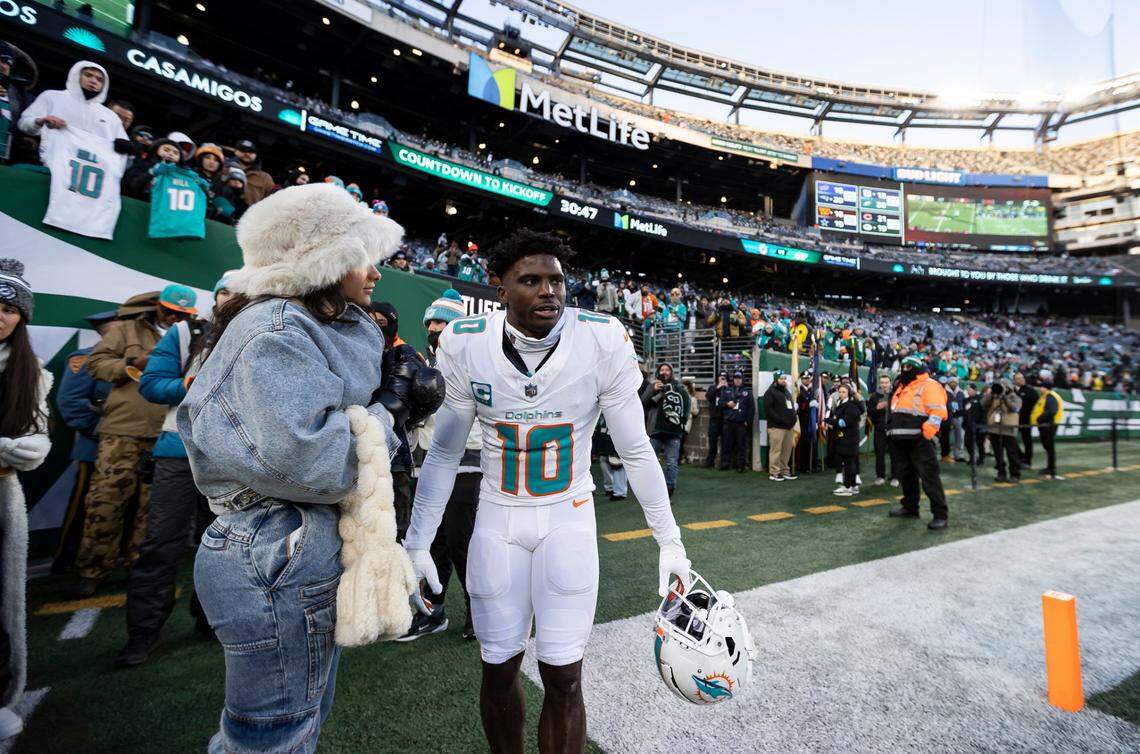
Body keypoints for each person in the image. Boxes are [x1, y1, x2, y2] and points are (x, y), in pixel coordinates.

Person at [401, 229, 691, 754]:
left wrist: (670, 541)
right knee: (498, 668)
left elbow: (637, 449)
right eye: (529, 280)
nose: (547, 291)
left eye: (555, 280)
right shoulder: (465, 342)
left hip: (568, 518)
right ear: (499, 286)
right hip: (498, 520)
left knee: (565, 677)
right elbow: (443, 453)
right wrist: (417, 541)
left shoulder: (601, 338)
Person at [179, 184, 428, 753]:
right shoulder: (277, 330)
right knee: (271, 739)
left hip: (284, 542)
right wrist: (389, 411)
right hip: (275, 544)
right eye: (362, 254)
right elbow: (316, 461)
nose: (377, 272)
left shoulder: (302, 325)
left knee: (289, 729)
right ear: (326, 260)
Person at [115, 278, 234, 667]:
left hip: (231, 458)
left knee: (221, 547)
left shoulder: (263, 335)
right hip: (179, 452)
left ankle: (211, 621)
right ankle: (143, 633)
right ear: (215, 297)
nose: (231, 300)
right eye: (225, 292)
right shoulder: (186, 332)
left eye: (241, 293)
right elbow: (150, 385)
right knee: (160, 543)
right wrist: (189, 386)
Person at [71, 285, 198, 598]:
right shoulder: (127, 329)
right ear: (156, 307)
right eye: (167, 310)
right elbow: (95, 364)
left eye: (180, 314)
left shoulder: (192, 337)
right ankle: (92, 570)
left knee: (151, 511)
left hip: (165, 433)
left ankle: (138, 567)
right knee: (105, 501)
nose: (171, 317)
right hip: (123, 430)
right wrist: (133, 363)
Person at [402, 289, 483, 642]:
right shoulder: (429, 364)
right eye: (431, 322)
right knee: (433, 544)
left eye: (441, 321)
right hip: (429, 464)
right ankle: (433, 611)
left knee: (462, 543)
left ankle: (479, 615)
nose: (434, 327)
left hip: (466, 462)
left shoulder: (474, 361)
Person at [0, 259, 52, 740]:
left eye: (9, 307)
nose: (0, 314)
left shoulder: (30, 372)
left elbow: (35, 447)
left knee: (1, 602)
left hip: (3, 497)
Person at [51, 309, 116, 574]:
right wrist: (102, 432)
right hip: (95, 450)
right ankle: (66, 561)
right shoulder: (85, 359)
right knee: (83, 509)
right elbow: (70, 404)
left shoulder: (136, 361)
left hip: (133, 451)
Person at [886, 355, 950, 530]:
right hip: (900, 439)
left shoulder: (930, 385)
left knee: (929, 477)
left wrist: (927, 433)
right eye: (903, 366)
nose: (905, 370)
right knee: (907, 477)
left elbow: (938, 412)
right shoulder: (901, 386)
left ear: (916, 368)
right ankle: (910, 507)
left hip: (919, 440)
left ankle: (940, 515)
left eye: (908, 367)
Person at [18, 60, 127, 150]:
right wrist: (40, 121)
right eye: (88, 75)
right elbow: (23, 124)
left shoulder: (110, 116)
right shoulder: (51, 97)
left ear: (104, 85)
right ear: (78, 76)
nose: (93, 81)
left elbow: (124, 147)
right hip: (50, 164)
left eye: (99, 79)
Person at [641, 362, 690, 496]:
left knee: (672, 462)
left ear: (671, 372)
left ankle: (669, 488)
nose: (664, 372)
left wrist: (682, 421)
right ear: (658, 372)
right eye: (662, 369)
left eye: (667, 369)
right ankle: (650, 488)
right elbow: (643, 402)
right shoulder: (653, 385)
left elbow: (687, 403)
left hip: (673, 431)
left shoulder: (679, 387)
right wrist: (653, 390)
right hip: (655, 430)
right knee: (650, 461)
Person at [827, 383, 864, 496]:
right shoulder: (841, 403)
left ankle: (848, 487)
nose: (841, 394)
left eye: (844, 392)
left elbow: (843, 422)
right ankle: (853, 486)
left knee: (849, 463)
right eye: (840, 392)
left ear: (849, 393)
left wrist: (828, 420)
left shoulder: (851, 405)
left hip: (849, 439)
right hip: (844, 438)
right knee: (849, 462)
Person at [984, 379, 1022, 483]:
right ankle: (1001, 473)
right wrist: (991, 394)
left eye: (1004, 386)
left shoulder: (1015, 397)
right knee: (998, 453)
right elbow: (983, 404)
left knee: (1012, 453)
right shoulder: (995, 397)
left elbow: (1014, 408)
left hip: (1008, 429)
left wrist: (1005, 397)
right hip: (994, 429)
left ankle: (1015, 474)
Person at [718, 370, 754, 473]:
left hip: (741, 423)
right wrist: (727, 404)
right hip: (729, 422)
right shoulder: (727, 390)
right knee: (726, 444)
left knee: (741, 446)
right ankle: (725, 464)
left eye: (739, 378)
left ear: (742, 380)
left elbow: (751, 409)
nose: (737, 380)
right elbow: (720, 403)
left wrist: (748, 421)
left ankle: (740, 465)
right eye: (735, 378)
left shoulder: (747, 392)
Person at [762, 370, 796, 481]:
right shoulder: (770, 392)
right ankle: (774, 472)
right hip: (776, 427)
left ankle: (784, 471)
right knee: (776, 450)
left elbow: (790, 407)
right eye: (781, 378)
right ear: (776, 379)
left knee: (786, 450)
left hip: (788, 427)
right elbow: (769, 410)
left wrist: (794, 418)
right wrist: (781, 420)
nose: (783, 381)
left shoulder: (786, 392)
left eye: (784, 378)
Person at [1030, 370, 1064, 480]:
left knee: (1049, 447)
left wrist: (1039, 420)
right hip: (1045, 425)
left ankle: (1051, 468)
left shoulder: (1051, 396)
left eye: (1041, 387)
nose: (1040, 388)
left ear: (1045, 388)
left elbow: (1051, 411)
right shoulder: (1046, 396)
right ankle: (1049, 467)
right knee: (1048, 447)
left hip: (1048, 425)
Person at [866, 373, 895, 486]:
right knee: (879, 454)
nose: (884, 385)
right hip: (880, 430)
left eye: (886, 382)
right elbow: (869, 412)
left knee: (895, 454)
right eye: (882, 382)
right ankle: (880, 476)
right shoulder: (874, 396)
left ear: (890, 383)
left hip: (893, 429)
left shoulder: (895, 395)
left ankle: (895, 476)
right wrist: (876, 408)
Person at [230, 138, 274, 205]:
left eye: (251, 151)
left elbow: (272, 200)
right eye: (243, 150)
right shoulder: (223, 168)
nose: (247, 154)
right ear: (235, 151)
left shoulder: (265, 177)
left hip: (249, 214)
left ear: (256, 155)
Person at [703, 370, 727, 468]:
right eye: (721, 377)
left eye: (724, 377)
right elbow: (708, 396)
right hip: (714, 419)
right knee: (712, 441)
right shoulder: (713, 387)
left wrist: (726, 387)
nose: (722, 379)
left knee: (725, 442)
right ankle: (710, 462)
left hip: (725, 419)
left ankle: (724, 463)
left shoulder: (728, 389)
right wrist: (718, 387)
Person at [1013, 372, 1037, 470]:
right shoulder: (1016, 392)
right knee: (1011, 438)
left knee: (1027, 440)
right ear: (1015, 381)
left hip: (1027, 420)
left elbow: (1037, 405)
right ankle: (1021, 457)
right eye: (1018, 378)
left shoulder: (1031, 391)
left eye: (1021, 377)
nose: (1021, 379)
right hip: (1015, 420)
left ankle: (1027, 461)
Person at [946, 376, 968, 462]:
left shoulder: (961, 392)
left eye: (954, 382)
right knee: (946, 436)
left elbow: (964, 404)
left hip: (958, 416)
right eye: (951, 382)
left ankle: (959, 454)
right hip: (947, 416)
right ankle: (946, 454)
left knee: (960, 436)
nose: (953, 383)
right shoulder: (945, 392)